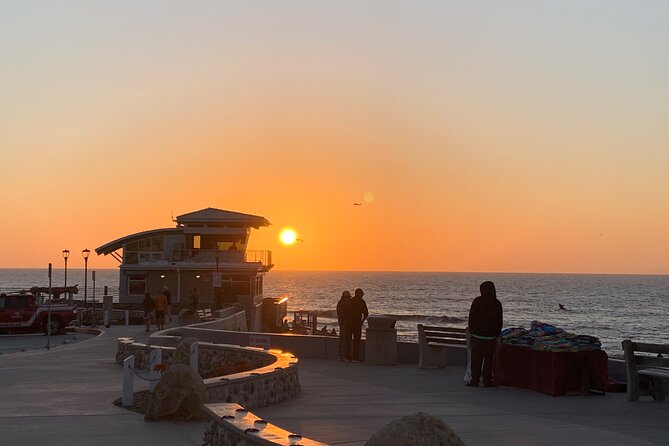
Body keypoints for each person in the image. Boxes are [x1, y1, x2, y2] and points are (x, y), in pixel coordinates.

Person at [467, 281, 503, 387]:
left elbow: (471, 318)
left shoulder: (477, 301)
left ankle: (475, 380)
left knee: (476, 360)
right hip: (491, 337)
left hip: (477, 336)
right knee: (488, 360)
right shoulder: (496, 303)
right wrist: (496, 333)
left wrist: (472, 332)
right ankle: (487, 381)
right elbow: (499, 321)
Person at [344, 288, 369, 362]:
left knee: (348, 341)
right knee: (356, 341)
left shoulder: (349, 301)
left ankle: (347, 357)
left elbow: (345, 312)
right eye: (361, 294)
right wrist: (362, 322)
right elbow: (366, 314)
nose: (362, 296)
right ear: (358, 294)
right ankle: (355, 358)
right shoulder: (362, 302)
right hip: (357, 324)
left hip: (348, 323)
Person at [336, 290, 352, 361]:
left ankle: (340, 356)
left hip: (342, 323)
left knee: (342, 339)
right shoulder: (344, 304)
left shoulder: (340, 303)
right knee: (344, 340)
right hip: (344, 324)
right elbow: (344, 314)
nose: (349, 299)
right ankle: (344, 356)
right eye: (348, 297)